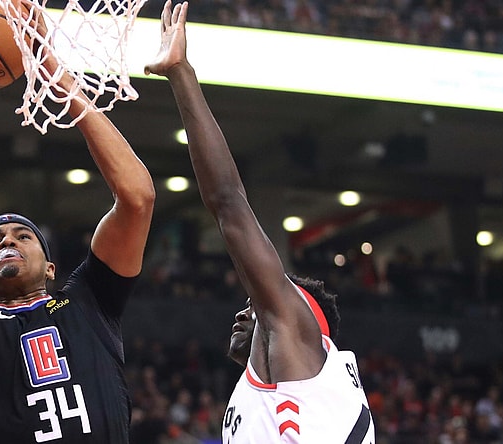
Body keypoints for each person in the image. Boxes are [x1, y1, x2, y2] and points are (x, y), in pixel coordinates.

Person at [0, 23, 155, 442]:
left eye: (23, 236)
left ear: (51, 268)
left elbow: (137, 199)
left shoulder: (89, 302)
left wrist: (61, 81)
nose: (7, 241)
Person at [144, 2, 375, 442]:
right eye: (255, 302)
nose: (245, 309)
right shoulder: (294, 390)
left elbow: (229, 203)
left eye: (258, 302)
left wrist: (181, 73)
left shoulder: (300, 353)